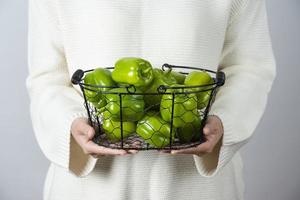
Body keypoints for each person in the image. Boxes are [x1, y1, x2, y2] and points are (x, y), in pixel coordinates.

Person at [26, 0, 276, 199]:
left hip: (196, 186)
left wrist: (225, 121)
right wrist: (70, 123)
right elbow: (46, 76)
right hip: (91, 187)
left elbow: (250, 67)